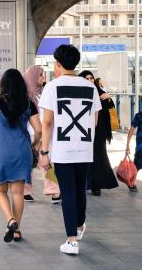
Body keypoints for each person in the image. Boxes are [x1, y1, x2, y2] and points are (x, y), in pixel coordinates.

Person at [39, 45, 102, 255]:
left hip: (63, 150)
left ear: (57, 63)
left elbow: (47, 123)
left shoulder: (52, 87)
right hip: (84, 148)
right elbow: (95, 119)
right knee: (80, 190)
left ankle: (72, 240)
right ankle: (80, 225)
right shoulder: (90, 87)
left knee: (68, 193)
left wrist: (44, 151)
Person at [0, 69, 42, 243]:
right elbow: (39, 130)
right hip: (22, 152)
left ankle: (10, 220)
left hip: (1, 152)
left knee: (0, 190)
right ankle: (16, 230)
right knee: (18, 193)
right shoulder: (29, 104)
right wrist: (34, 144)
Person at [23, 65, 61, 204]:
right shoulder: (25, 96)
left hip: (43, 134)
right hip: (30, 134)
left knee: (46, 163)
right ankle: (25, 191)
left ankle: (54, 191)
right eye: (40, 75)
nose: (43, 78)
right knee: (28, 164)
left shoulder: (44, 92)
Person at [79, 71, 118, 196]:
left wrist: (108, 98)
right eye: (86, 78)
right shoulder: (79, 93)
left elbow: (110, 107)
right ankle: (85, 183)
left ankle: (97, 185)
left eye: (91, 78)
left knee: (99, 156)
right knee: (83, 157)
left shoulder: (99, 92)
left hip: (99, 130)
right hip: (82, 130)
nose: (90, 80)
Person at [125, 111, 141, 193]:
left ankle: (131, 183)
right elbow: (131, 129)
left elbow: (131, 129)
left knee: (136, 166)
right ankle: (131, 182)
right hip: (140, 147)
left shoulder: (139, 115)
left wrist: (127, 145)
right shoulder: (139, 116)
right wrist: (127, 145)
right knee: (136, 166)